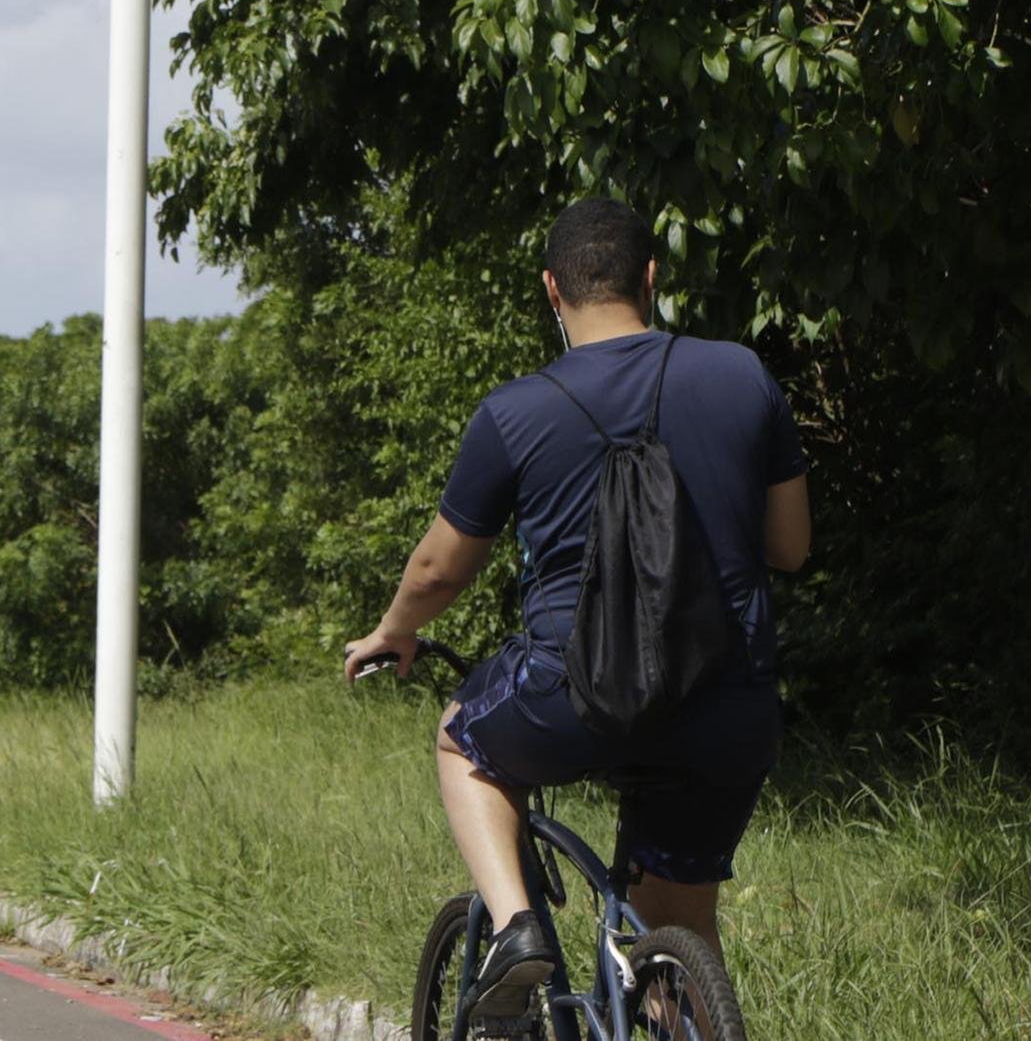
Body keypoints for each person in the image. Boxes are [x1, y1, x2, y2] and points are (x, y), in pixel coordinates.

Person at [341, 198, 811, 1014]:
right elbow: (791, 546)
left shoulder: (514, 411)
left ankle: (518, 928)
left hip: (573, 694)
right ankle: (669, 995)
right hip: (727, 700)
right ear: (652, 279)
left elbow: (438, 570)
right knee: (675, 931)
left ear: (552, 291)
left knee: (460, 737)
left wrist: (395, 631)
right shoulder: (743, 376)